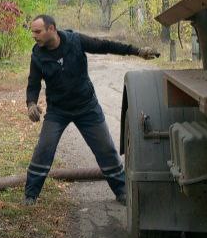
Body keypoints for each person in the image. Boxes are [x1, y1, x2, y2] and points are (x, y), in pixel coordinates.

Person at [23, 14, 159, 205]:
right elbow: (33, 84)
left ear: (51, 29)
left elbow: (105, 46)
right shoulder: (37, 54)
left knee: (106, 150)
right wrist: (31, 104)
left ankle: (122, 191)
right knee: (43, 149)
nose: (33, 35)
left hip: (87, 107)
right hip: (58, 111)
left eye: (37, 31)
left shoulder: (75, 41)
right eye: (32, 32)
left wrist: (137, 51)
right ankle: (30, 195)